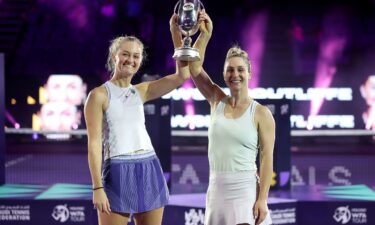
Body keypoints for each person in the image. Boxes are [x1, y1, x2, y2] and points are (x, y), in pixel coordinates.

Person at [170, 11, 274, 225]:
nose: (235, 74)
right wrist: (204, 36)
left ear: (249, 73)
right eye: (230, 70)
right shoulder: (216, 99)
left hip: (245, 190)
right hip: (216, 188)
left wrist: (262, 199)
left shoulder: (261, 113)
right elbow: (194, 68)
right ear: (224, 73)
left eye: (240, 70)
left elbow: (267, 159)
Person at [84, 34, 189, 225]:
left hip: (149, 167)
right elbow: (94, 144)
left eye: (136, 56)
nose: (130, 60)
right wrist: (97, 188)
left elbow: (182, 76)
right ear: (114, 55)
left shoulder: (141, 91)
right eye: (125, 54)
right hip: (117, 171)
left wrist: (175, 32)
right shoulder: (98, 95)